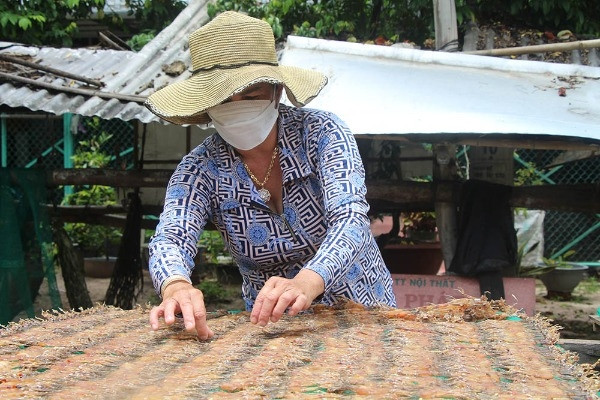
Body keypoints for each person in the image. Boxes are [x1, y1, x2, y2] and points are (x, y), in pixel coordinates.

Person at [144, 11, 396, 340]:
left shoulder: (321, 133)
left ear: (276, 91)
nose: (237, 107)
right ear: (206, 107)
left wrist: (307, 281)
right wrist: (176, 285)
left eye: (250, 96)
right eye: (223, 100)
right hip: (275, 326)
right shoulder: (200, 169)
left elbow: (350, 218)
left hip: (363, 308)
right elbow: (170, 239)